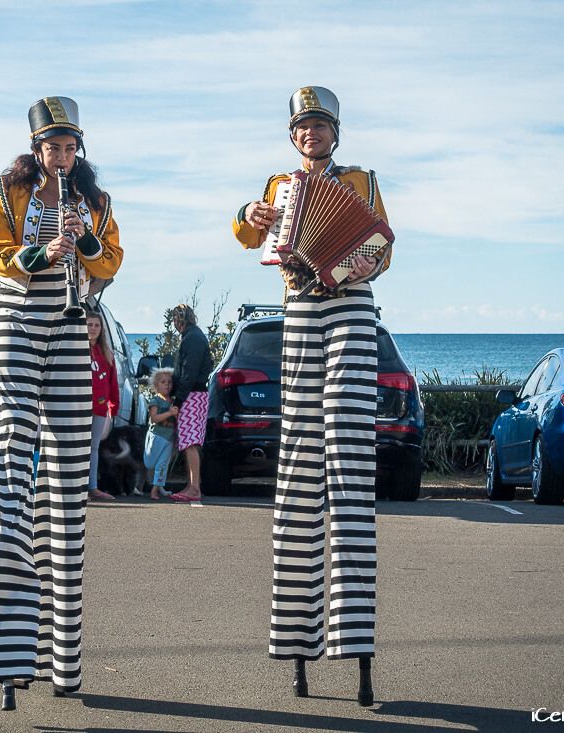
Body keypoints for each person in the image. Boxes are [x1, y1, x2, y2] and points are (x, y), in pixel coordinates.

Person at [0, 96, 123, 711]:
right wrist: (41, 254)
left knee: (69, 492)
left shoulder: (95, 199)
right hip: (19, 321)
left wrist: (86, 239)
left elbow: (113, 261)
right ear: (36, 146)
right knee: (12, 469)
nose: (62, 154)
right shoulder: (7, 187)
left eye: (71, 145)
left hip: (72, 327)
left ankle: (63, 663)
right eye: (53, 145)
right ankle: (2, 651)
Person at [231, 85, 389, 706]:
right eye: (302, 128)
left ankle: (355, 641)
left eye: (319, 126)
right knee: (297, 460)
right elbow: (248, 237)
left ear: (334, 132)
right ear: (292, 135)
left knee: (349, 462)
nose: (310, 135)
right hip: (298, 304)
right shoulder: (276, 186)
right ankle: (296, 639)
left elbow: (381, 247)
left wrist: (342, 268)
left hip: (349, 305)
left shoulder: (361, 181)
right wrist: (252, 215)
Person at [168, 304, 211, 503]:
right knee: (189, 442)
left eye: (177, 319)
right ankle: (193, 484)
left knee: (190, 442)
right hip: (196, 394)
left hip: (192, 395)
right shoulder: (195, 336)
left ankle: (194, 488)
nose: (176, 323)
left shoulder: (192, 338)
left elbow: (189, 372)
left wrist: (178, 399)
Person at [86, 310, 118, 500]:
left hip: (99, 407)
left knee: (94, 447)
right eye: (89, 324)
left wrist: (113, 406)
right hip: (79, 408)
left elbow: (112, 383)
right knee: (78, 447)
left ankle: (93, 487)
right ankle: (79, 487)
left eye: (96, 325)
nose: (93, 329)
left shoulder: (106, 353)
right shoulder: (76, 350)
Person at [143, 367, 178, 500]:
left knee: (162, 464)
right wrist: (170, 413)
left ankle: (155, 489)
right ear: (156, 385)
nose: (167, 384)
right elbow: (154, 418)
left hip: (169, 438)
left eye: (169, 382)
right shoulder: (155, 400)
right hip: (156, 437)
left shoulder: (174, 401)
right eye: (163, 382)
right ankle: (158, 485)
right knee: (150, 464)